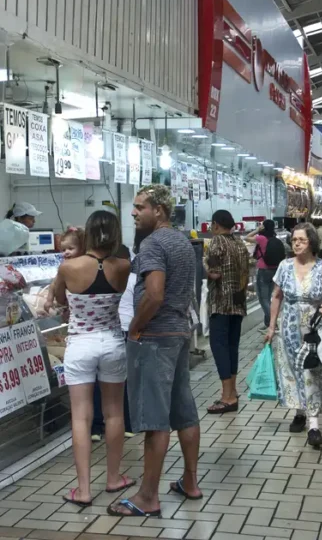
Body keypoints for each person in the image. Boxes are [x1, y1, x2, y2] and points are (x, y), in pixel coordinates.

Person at [108, 185, 201, 518]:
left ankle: (148, 497)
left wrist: (135, 325)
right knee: (185, 411)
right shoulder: (181, 242)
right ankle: (190, 482)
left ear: (159, 210)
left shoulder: (153, 243)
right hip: (178, 333)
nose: (133, 213)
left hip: (154, 337)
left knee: (155, 420)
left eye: (139, 207)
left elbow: (155, 293)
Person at [53, 211, 133, 507]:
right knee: (114, 414)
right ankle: (113, 478)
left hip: (80, 345)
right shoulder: (123, 266)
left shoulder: (68, 267)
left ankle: (84, 490)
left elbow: (61, 300)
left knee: (81, 417)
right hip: (112, 342)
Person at [265, 223, 322, 447]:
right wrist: (271, 326)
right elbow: (276, 296)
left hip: (314, 329)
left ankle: (313, 425)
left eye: (301, 240)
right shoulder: (284, 266)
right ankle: (299, 412)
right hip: (289, 327)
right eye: (294, 240)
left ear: (311, 242)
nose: (296, 243)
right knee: (292, 369)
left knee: (312, 371)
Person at [205, 210, 249, 414]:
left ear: (215, 224)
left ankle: (227, 397)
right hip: (238, 302)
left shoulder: (217, 243)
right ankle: (233, 390)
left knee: (219, 346)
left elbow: (214, 274)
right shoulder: (239, 243)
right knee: (232, 346)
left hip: (221, 303)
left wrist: (201, 268)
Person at [91, 243, 136, 443]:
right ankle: (127, 424)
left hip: (102, 332)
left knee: (96, 382)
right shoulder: (133, 278)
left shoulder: (104, 277)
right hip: (126, 331)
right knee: (123, 381)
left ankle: (95, 427)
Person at [244, 220, 285, 332]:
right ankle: (268, 324)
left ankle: (273, 322)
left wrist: (257, 230)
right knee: (269, 298)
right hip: (274, 270)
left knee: (263, 299)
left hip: (263, 270)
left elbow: (246, 238)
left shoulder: (261, 238)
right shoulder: (274, 237)